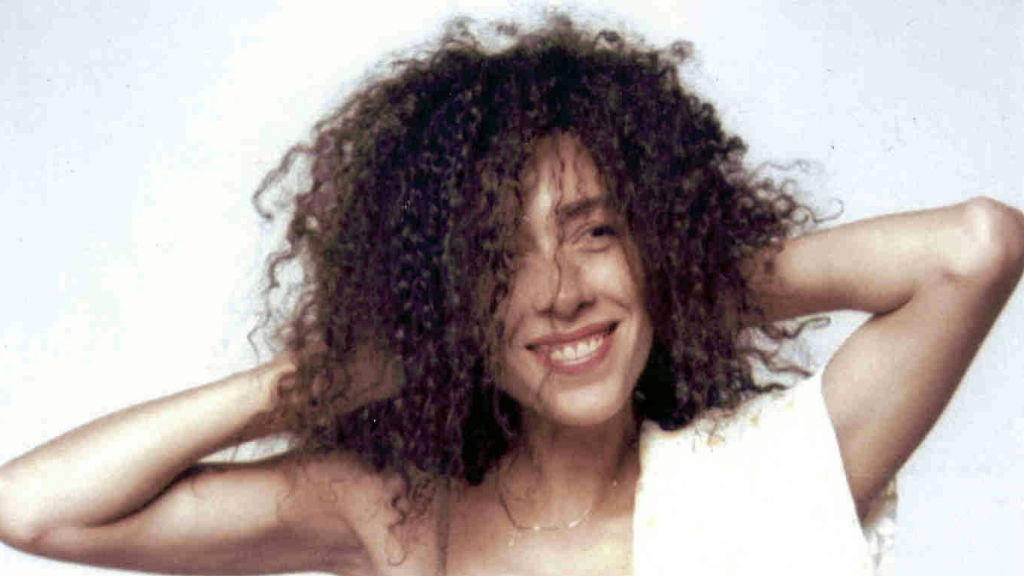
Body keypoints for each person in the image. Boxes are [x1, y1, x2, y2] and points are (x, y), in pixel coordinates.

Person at [0, 13, 1021, 576]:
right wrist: (318, 381)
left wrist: (681, 276)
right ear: (444, 302)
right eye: (501, 260)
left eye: (595, 232)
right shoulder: (395, 514)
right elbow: (34, 509)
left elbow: (974, 249)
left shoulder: (770, 473)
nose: (561, 293)